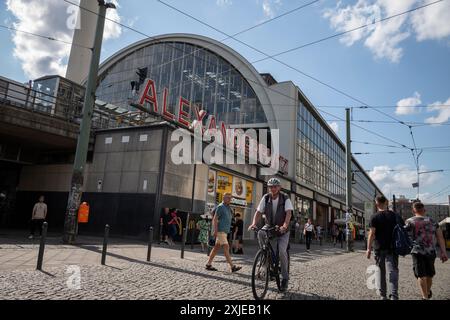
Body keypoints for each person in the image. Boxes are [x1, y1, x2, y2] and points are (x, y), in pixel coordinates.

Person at [248, 177, 293, 292]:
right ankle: (265, 254)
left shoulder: (285, 197)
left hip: (283, 228)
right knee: (261, 233)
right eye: (271, 187)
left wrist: (284, 226)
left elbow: (288, 213)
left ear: (279, 187)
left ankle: (285, 279)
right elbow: (258, 212)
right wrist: (253, 223)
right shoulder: (266, 197)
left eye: (275, 186)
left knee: (282, 251)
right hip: (270, 225)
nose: (273, 188)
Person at [405, 202, 448, 300]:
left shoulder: (409, 221)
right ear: (424, 210)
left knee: (421, 275)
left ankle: (425, 296)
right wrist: (443, 252)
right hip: (431, 251)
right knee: (429, 275)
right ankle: (427, 293)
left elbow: (405, 237)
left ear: (413, 210)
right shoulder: (433, 221)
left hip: (416, 252)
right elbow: (440, 237)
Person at [366, 196, 403, 300]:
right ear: (386, 203)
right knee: (393, 272)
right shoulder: (395, 216)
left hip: (379, 248)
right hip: (393, 248)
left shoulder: (374, 217)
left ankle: (383, 296)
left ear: (376, 203)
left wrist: (368, 249)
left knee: (381, 272)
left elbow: (372, 234)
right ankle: (394, 296)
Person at [205, 193, 242, 273]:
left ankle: (208, 264)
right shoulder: (220, 207)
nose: (229, 199)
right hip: (220, 231)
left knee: (216, 248)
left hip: (225, 231)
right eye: (227, 198)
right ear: (223, 198)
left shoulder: (228, 208)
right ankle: (232, 267)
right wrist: (215, 230)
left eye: (230, 198)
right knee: (226, 247)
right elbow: (215, 219)